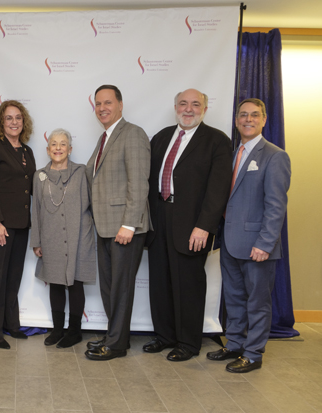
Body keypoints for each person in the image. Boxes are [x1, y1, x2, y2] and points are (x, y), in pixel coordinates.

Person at [144, 89, 232, 361]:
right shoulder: (161, 137)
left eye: (196, 104)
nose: (189, 109)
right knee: (160, 283)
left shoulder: (217, 141)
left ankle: (188, 343)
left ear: (205, 108)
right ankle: (165, 336)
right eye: (183, 103)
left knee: (188, 286)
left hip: (192, 224)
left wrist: (204, 226)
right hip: (159, 220)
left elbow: (218, 189)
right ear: (175, 107)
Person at [207, 98, 291, 373]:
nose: (248, 119)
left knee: (257, 302)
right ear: (236, 120)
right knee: (233, 298)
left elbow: (276, 206)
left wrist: (265, 244)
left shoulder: (275, 156)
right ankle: (234, 344)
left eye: (255, 115)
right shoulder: (233, 153)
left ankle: (253, 354)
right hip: (230, 242)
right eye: (243, 115)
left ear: (264, 120)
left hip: (258, 246)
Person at [84, 85, 150, 361]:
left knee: (120, 287)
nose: (102, 108)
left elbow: (138, 182)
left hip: (124, 227)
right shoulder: (105, 137)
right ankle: (115, 335)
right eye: (98, 104)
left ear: (120, 105)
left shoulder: (132, 134)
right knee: (110, 287)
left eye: (108, 102)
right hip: (105, 226)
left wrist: (130, 224)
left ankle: (116, 345)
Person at [30, 129, 96, 348]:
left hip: (79, 237)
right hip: (51, 238)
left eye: (63, 144)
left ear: (70, 149)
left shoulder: (82, 172)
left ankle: (74, 332)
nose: (58, 148)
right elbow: (36, 210)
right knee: (56, 284)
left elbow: (91, 205)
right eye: (54, 144)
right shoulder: (39, 176)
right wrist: (37, 241)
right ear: (48, 149)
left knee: (76, 283)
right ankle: (57, 330)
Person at [0, 100, 36, 349]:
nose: (14, 122)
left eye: (18, 118)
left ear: (24, 122)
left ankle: (11, 324)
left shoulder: (27, 151)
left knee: (13, 277)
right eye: (9, 118)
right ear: (0, 123)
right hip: (0, 225)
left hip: (22, 224)